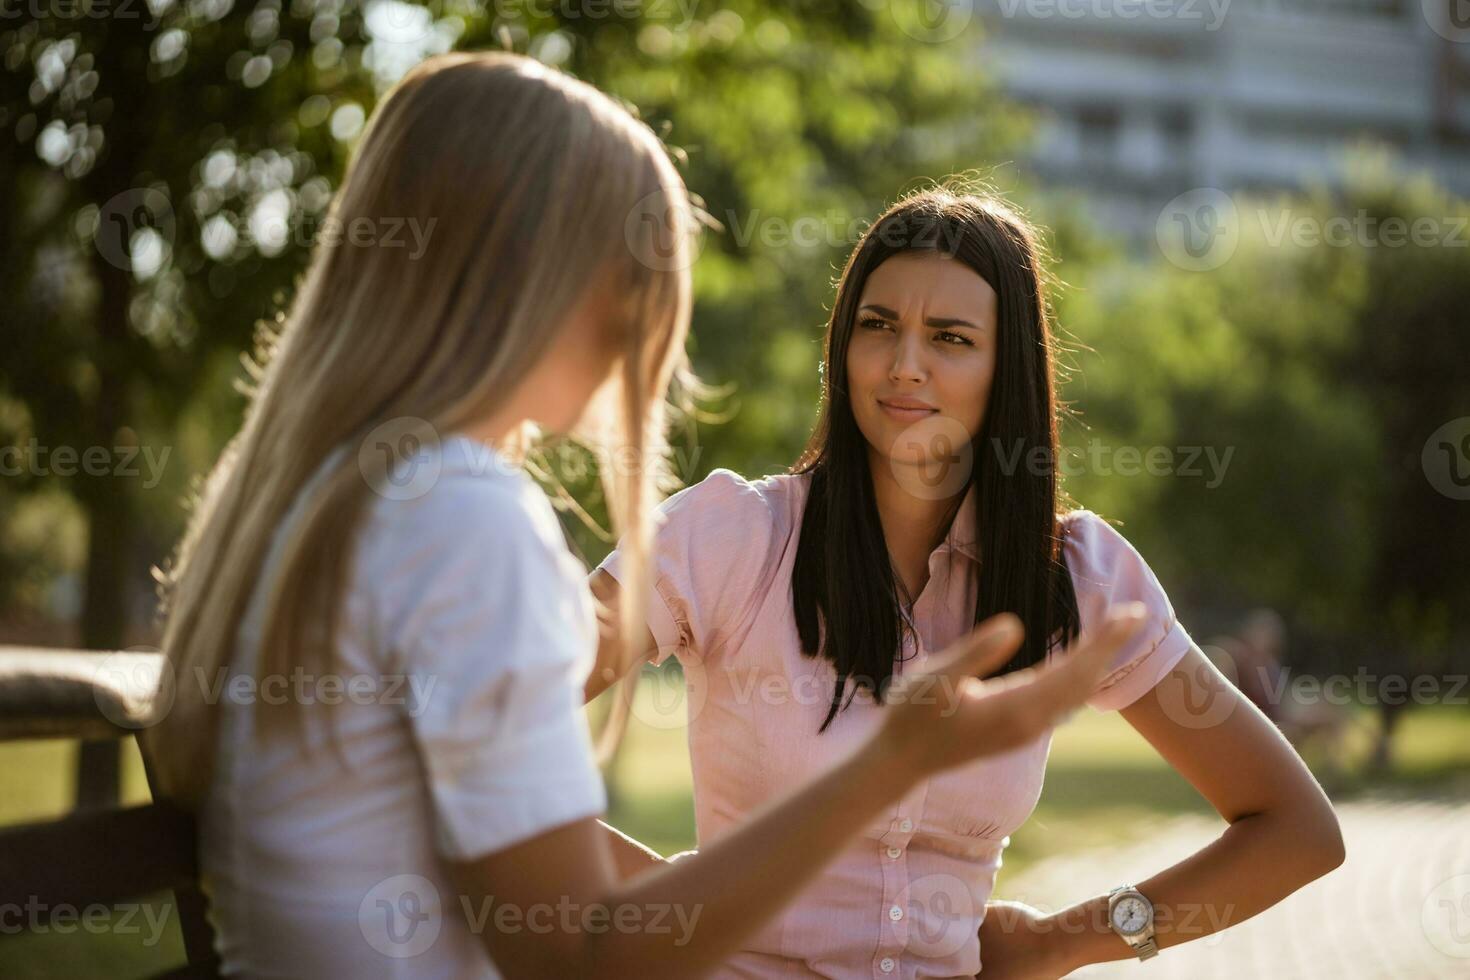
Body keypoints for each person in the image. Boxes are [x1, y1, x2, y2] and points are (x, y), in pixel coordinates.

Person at [142, 54, 1149, 979]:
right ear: (545, 275)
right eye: (637, 268)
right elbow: (585, 957)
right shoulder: (464, 516)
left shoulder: (325, 492)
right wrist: (896, 758)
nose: (650, 321)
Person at [588, 188, 1346, 977]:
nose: (904, 364)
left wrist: (1064, 941)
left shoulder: (1080, 576)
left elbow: (1295, 831)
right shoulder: (729, 538)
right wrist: (679, 902)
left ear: (1005, 369)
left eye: (949, 338)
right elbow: (471, 736)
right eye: (877, 326)